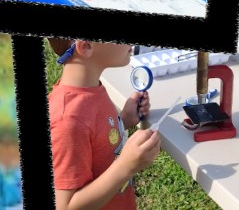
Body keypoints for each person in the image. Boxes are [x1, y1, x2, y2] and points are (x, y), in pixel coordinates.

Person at [47, 37, 160, 210]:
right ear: (86, 46)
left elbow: (95, 141)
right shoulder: (67, 122)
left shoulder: (91, 88)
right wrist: (126, 166)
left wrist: (124, 120)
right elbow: (65, 206)